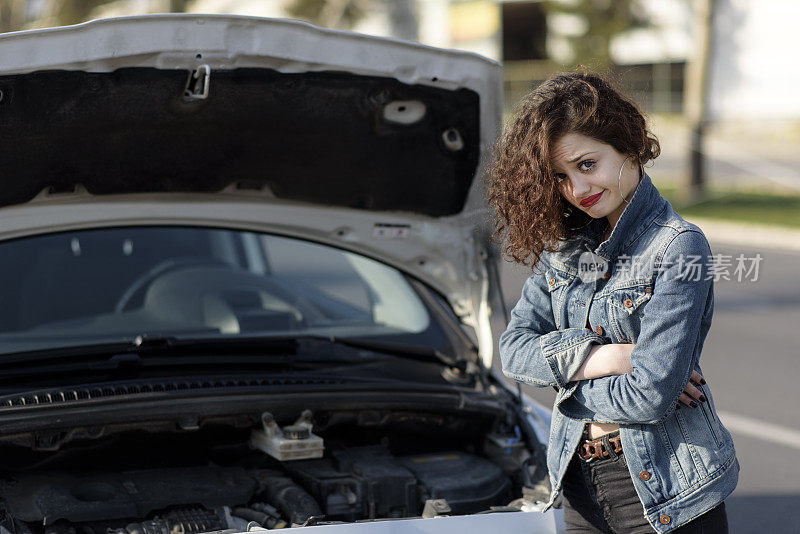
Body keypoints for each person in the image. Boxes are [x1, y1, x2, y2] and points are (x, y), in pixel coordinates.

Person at [488, 72, 739, 533]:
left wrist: (565, 382)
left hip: (666, 488)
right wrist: (613, 356)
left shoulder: (678, 247)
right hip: (578, 481)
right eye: (560, 176)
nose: (577, 190)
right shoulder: (566, 248)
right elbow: (512, 351)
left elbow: (648, 395)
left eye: (587, 164)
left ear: (627, 145)